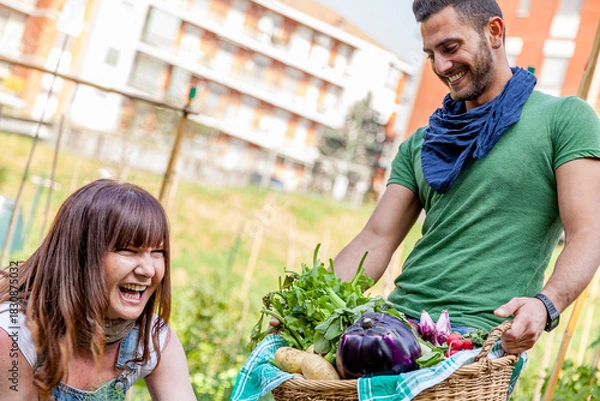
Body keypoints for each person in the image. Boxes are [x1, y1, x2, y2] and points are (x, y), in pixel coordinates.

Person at [332, 0, 600, 355]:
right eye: (431, 54)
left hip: (477, 342)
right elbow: (376, 238)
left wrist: (545, 304)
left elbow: (589, 231)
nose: (441, 66)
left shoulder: (564, 119)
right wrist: (305, 302)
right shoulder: (422, 142)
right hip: (393, 328)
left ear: (494, 32)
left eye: (450, 48)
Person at [0, 179, 196, 400]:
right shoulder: (15, 333)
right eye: (128, 250)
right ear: (79, 254)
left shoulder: (148, 337)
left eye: (158, 252)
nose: (148, 270)